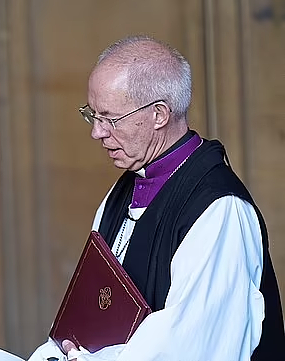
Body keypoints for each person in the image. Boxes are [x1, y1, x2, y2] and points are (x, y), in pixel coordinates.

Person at [30, 35, 284, 361]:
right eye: (91, 114)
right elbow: (87, 311)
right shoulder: (119, 194)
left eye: (110, 118)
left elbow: (194, 347)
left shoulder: (218, 209)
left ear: (159, 114)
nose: (97, 131)